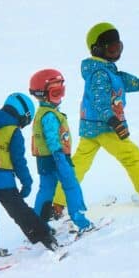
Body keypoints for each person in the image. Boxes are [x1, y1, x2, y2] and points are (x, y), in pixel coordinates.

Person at [52, 22, 139, 217]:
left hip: (90, 127)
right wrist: (113, 121)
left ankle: (58, 203)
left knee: (78, 165)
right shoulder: (101, 74)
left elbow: (131, 81)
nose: (116, 52)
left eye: (118, 47)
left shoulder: (108, 70)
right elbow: (99, 101)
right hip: (106, 128)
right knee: (132, 157)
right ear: (97, 49)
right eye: (111, 48)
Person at [0, 92, 60, 256]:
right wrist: (26, 182)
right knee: (19, 211)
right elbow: (18, 161)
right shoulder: (14, 131)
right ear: (23, 115)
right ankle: (45, 236)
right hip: (3, 181)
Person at [28, 69, 94, 232]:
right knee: (71, 186)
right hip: (58, 157)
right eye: (56, 92)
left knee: (46, 189)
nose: (61, 96)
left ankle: (38, 225)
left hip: (45, 160)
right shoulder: (49, 115)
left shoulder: (44, 113)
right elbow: (52, 139)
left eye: (61, 91)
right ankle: (81, 221)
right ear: (42, 94)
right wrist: (60, 158)